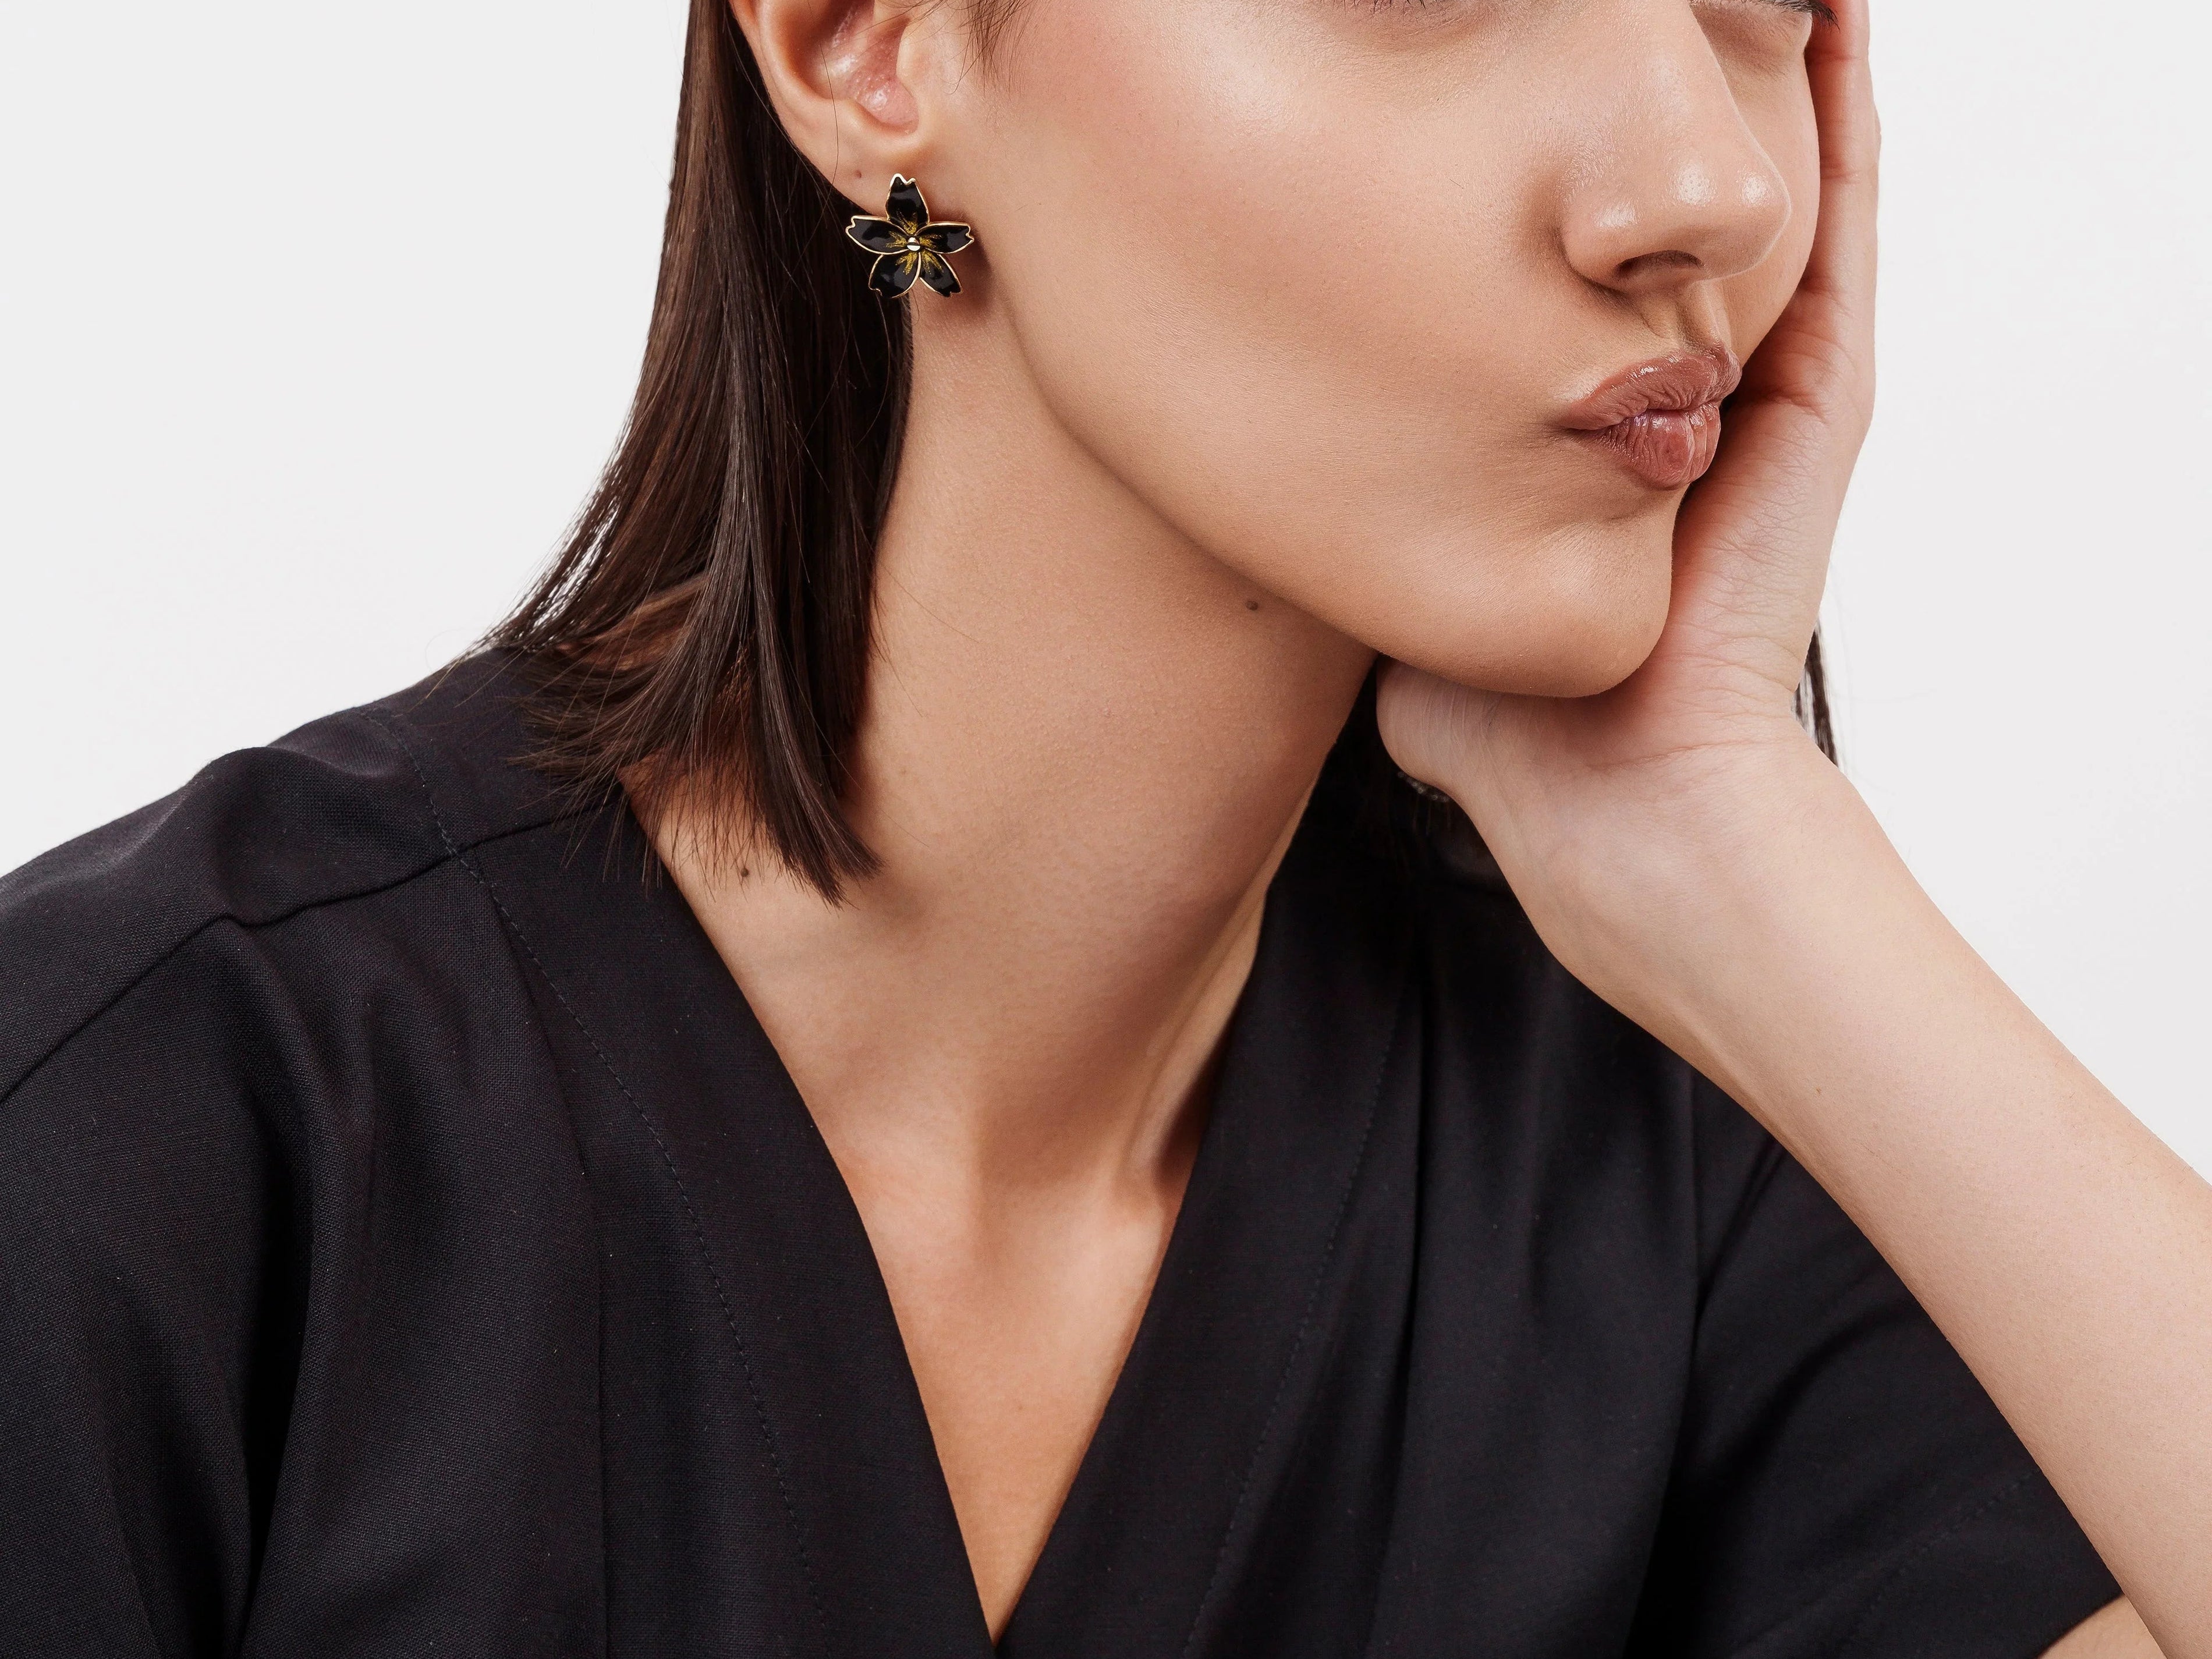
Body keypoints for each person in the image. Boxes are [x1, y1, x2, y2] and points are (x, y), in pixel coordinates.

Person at [2, 0, 2205, 1653]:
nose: (1706, 181)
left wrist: (1743, 838)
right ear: (862, 42)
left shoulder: (1665, 1176)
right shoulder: (138, 1157)